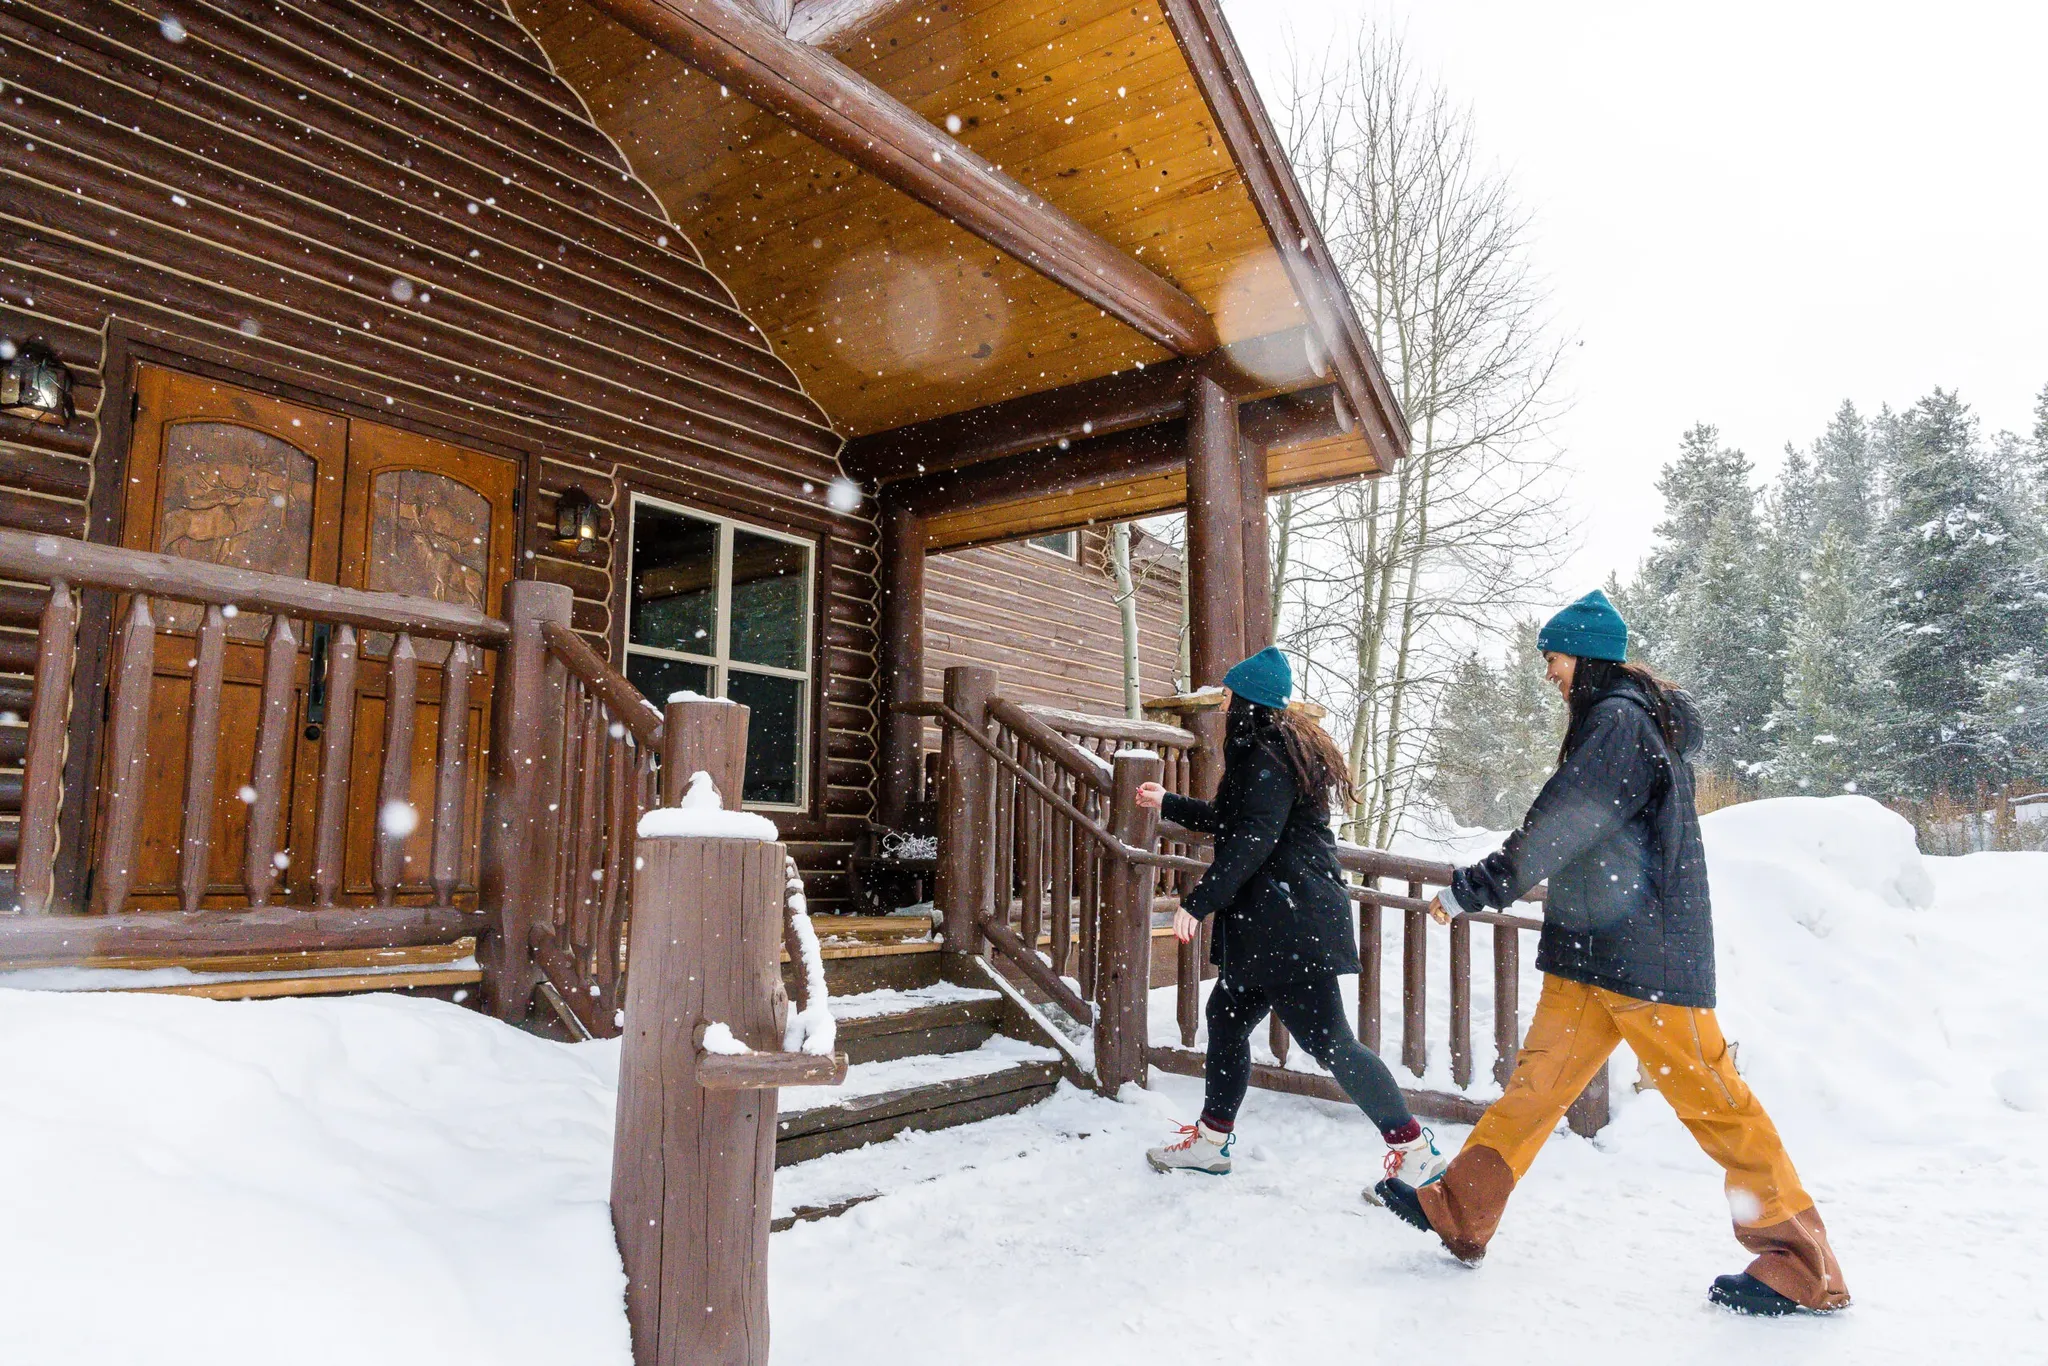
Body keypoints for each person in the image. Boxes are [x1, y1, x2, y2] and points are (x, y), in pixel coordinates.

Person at [1374, 590, 1851, 1317]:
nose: (1549, 674)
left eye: (1555, 659)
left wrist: (1480, 887)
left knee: (1716, 1102)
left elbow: (1563, 823)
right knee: (1535, 1086)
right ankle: (1463, 1210)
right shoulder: (1619, 721)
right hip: (1594, 953)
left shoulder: (1619, 724)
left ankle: (1802, 1264)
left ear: (1587, 659)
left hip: (1647, 958)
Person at [1138, 646, 1446, 1195]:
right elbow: (1236, 821)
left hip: (1289, 924)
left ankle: (1413, 1149)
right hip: (1275, 923)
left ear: (1245, 702)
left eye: (1229, 695)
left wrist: (1197, 901)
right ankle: (1211, 1142)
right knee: (1228, 1019)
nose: (1224, 703)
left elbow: (1252, 839)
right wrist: (1169, 802)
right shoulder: (1268, 752)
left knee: (1330, 1042)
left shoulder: (1265, 755)